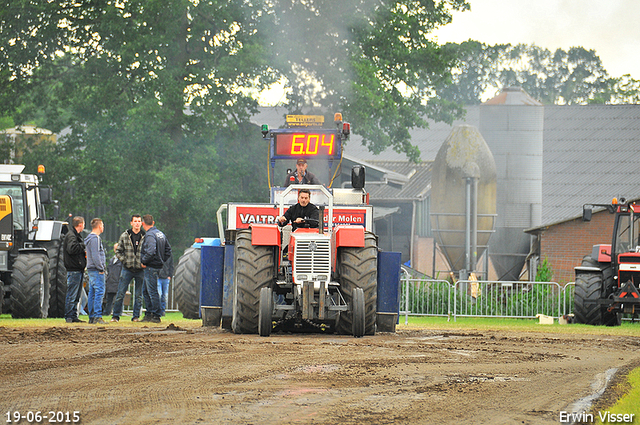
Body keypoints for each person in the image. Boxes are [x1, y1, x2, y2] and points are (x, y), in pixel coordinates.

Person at [110, 215, 145, 323]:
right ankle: (115, 316)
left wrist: (145, 262)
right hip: (127, 269)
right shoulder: (125, 235)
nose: (137, 223)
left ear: (141, 223)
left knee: (138, 295)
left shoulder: (145, 236)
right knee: (120, 293)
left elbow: (149, 251)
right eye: (135, 221)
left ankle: (135, 317)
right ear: (131, 223)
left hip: (140, 269)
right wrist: (124, 260)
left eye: (139, 221)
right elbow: (118, 251)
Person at [140, 214, 172, 323]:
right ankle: (148, 313)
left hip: (151, 267)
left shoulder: (150, 235)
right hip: (157, 266)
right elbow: (168, 250)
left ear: (143, 224)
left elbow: (151, 251)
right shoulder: (160, 234)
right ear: (153, 223)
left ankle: (156, 315)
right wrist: (162, 260)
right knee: (145, 290)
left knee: (152, 291)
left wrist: (144, 261)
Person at [64, 216, 87, 323]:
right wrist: (83, 246)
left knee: (76, 295)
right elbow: (72, 249)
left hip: (78, 269)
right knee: (72, 294)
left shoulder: (75, 235)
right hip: (74, 269)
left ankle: (73, 315)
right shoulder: (71, 236)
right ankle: (69, 315)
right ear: (81, 224)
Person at [85, 218, 107, 324]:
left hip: (91, 269)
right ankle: (97, 316)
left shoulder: (89, 238)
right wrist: (101, 268)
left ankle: (92, 316)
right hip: (96, 269)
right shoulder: (95, 238)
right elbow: (96, 255)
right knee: (99, 292)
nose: (103, 227)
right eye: (102, 225)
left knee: (92, 293)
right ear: (99, 226)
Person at [102, 243, 122, 316]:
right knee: (108, 299)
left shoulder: (122, 261)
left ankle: (118, 313)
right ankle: (107, 312)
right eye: (115, 249)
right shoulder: (111, 260)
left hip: (118, 282)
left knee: (118, 299)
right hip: (110, 282)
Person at [157, 252, 174, 316]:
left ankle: (162, 311)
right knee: (159, 294)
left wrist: (170, 276)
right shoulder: (157, 253)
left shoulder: (169, 255)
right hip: (159, 278)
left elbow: (171, 265)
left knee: (164, 296)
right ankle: (158, 310)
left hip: (166, 278)